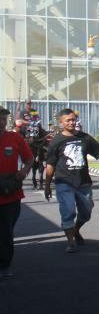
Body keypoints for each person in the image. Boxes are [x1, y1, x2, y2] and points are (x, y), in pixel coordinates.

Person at [44, 109, 99, 253]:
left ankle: (76, 230)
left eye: (73, 119)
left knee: (86, 213)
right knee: (68, 211)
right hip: (64, 182)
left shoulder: (85, 138)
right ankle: (71, 243)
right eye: (68, 120)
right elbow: (50, 165)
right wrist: (47, 186)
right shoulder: (56, 141)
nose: (71, 122)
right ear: (61, 123)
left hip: (83, 182)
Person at [0, 108, 34, 279]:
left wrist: (23, 172)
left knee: (6, 230)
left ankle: (4, 264)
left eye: (3, 119)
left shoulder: (15, 138)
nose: (1, 122)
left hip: (10, 194)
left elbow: (29, 158)